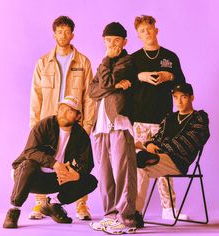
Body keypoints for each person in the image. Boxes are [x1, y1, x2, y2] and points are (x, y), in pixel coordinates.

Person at [29, 16, 95, 220]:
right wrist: (34, 125)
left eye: (67, 32)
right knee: (44, 161)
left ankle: (81, 206)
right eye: (59, 31)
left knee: (77, 163)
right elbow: (36, 96)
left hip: (74, 124)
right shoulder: (43, 62)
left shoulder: (83, 62)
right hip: (49, 124)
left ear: (72, 34)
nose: (63, 35)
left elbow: (90, 97)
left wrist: (87, 124)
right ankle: (41, 204)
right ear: (54, 34)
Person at [3, 96, 98, 229]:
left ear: (78, 116)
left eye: (70, 110)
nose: (64, 112)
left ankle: (53, 205)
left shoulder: (80, 135)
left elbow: (87, 163)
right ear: (57, 110)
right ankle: (14, 209)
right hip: (28, 177)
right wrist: (54, 164)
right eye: (62, 108)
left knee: (90, 180)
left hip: (55, 179)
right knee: (29, 165)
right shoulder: (44, 125)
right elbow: (30, 151)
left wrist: (77, 175)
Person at [131, 15, 188, 220]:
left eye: (149, 29)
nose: (147, 33)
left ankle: (169, 209)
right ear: (138, 35)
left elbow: (183, 83)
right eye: (142, 31)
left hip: (163, 119)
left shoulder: (170, 57)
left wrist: (168, 76)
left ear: (156, 30)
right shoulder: (134, 59)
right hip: (139, 120)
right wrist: (140, 76)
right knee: (138, 165)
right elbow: (124, 85)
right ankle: (135, 211)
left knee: (163, 163)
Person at [88, 22, 142, 234]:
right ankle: (111, 216)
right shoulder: (105, 64)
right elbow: (93, 91)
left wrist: (107, 63)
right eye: (108, 41)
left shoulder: (127, 61)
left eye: (116, 41)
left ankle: (126, 218)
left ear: (124, 42)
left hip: (119, 122)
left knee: (123, 171)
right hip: (100, 126)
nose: (112, 45)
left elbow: (105, 81)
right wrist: (112, 86)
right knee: (105, 173)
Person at [136, 83, 210, 216]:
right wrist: (149, 145)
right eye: (175, 97)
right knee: (138, 164)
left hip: (178, 161)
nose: (179, 101)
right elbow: (157, 137)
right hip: (159, 159)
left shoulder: (199, 118)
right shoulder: (169, 118)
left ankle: (147, 157)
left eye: (183, 97)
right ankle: (134, 213)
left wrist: (158, 148)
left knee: (141, 159)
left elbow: (186, 143)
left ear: (191, 98)